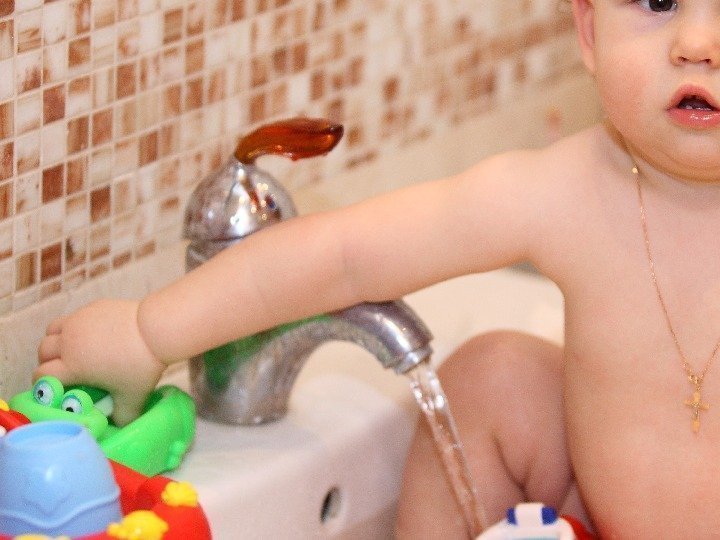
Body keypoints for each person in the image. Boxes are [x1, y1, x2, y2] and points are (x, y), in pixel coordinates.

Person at [37, 0, 720, 536]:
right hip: (610, 517)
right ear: (590, 32)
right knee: (496, 377)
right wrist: (149, 332)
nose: (697, 42)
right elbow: (344, 258)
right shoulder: (562, 192)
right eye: (658, 0)